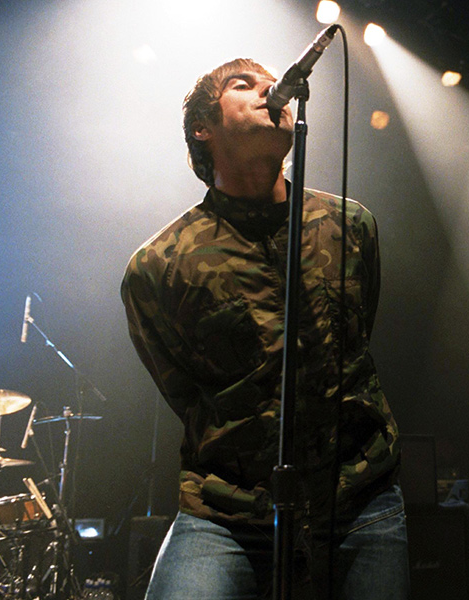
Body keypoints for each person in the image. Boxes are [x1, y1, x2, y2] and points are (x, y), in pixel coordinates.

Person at [121, 58, 408, 599]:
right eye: (243, 84)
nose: (270, 91)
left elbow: (357, 335)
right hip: (226, 510)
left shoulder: (351, 226)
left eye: (271, 83)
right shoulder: (158, 266)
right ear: (203, 128)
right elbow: (180, 386)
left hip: (359, 497)